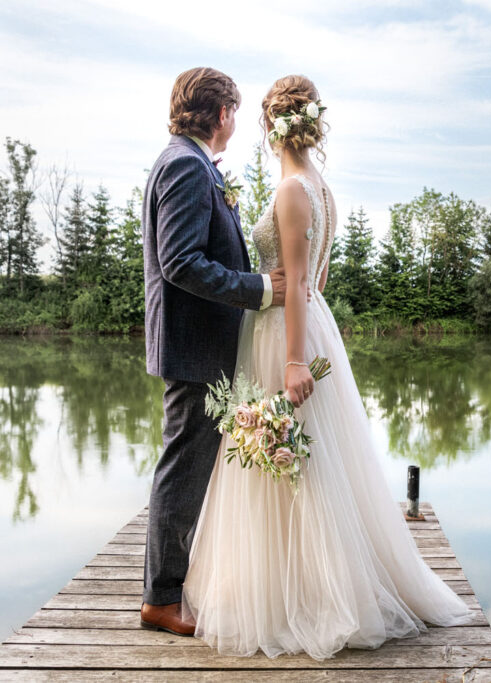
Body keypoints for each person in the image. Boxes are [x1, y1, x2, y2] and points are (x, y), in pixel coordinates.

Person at [181, 74, 473, 659]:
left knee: (289, 461)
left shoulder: (291, 191)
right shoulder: (321, 187)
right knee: (307, 461)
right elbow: (316, 279)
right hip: (315, 319)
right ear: (310, 123)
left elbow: (291, 287)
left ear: (271, 125)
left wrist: (292, 360)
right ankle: (306, 578)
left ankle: (308, 594)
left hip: (284, 334)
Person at [140, 67, 290, 636]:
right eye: (236, 112)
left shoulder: (188, 161)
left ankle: (173, 588)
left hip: (197, 344)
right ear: (223, 113)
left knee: (191, 467)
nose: (237, 123)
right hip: (195, 345)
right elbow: (179, 262)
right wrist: (258, 289)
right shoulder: (184, 164)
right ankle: (160, 599)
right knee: (182, 470)